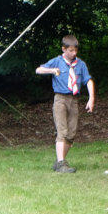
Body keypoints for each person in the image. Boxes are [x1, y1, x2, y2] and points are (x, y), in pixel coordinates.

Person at [35, 35, 95, 173]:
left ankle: (59, 161)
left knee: (71, 133)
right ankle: (61, 163)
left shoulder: (80, 64)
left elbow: (88, 81)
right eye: (71, 51)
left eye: (75, 50)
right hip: (60, 99)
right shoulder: (57, 61)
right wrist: (51, 70)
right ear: (64, 49)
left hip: (74, 101)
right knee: (62, 131)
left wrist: (91, 98)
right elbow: (38, 70)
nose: (74, 53)